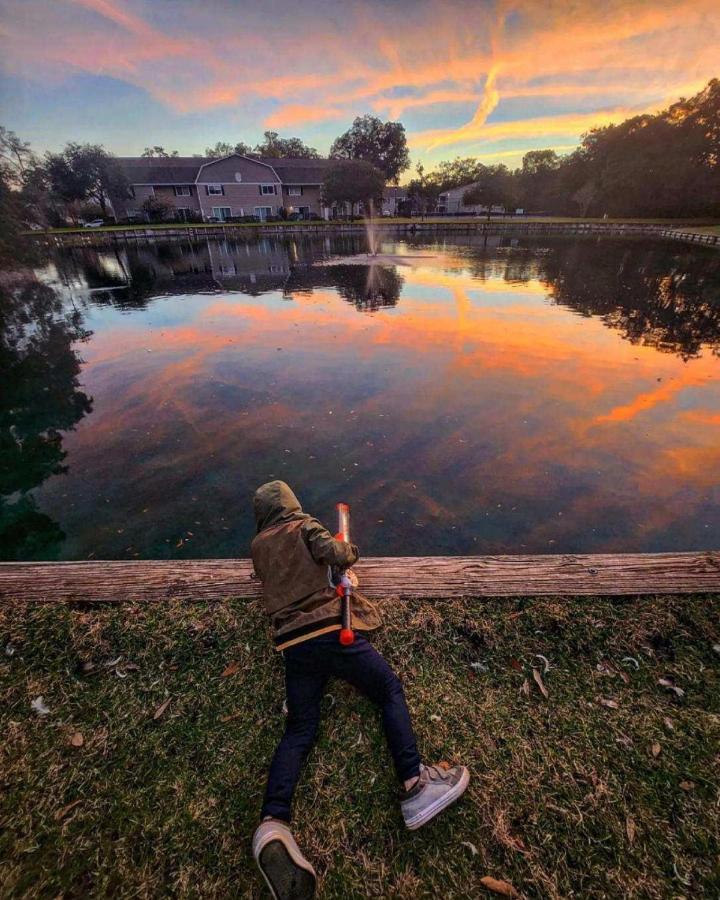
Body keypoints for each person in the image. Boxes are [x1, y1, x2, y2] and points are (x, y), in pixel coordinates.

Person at [250, 481, 469, 900]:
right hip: (332, 633)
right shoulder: (303, 526)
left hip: (293, 646)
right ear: (291, 505)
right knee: (387, 689)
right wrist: (345, 559)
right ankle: (415, 786)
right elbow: (338, 554)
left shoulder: (259, 547)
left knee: (299, 729)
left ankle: (272, 822)